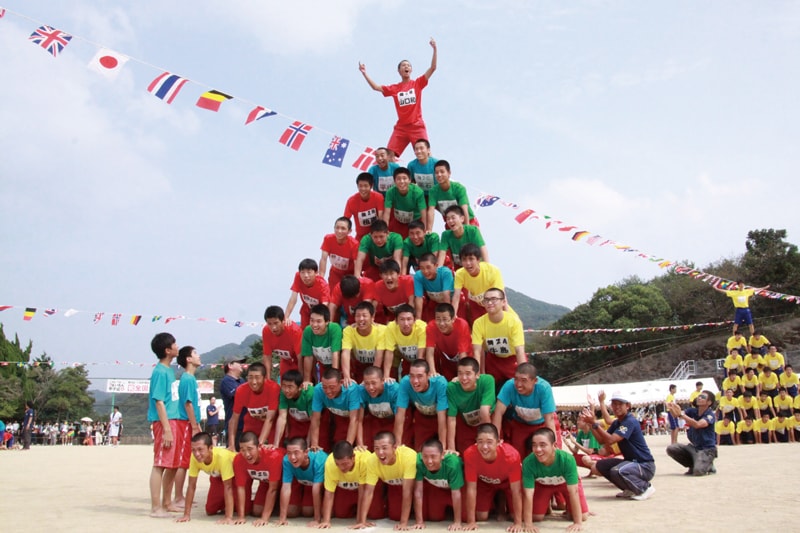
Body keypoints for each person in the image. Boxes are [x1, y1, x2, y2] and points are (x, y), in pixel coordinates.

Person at [358, 38, 437, 160]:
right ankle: (395, 178)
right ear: (399, 71)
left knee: (426, 153)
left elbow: (432, 68)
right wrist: (364, 73)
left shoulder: (417, 84)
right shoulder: (395, 88)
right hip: (401, 127)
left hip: (417, 125)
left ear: (411, 70)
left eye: (408, 65)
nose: (406, 67)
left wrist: (435, 49)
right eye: (403, 65)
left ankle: (438, 176)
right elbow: (376, 87)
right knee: (389, 156)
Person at [579, 392, 656, 500]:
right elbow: (602, 440)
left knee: (618, 470)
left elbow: (610, 440)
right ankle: (629, 489)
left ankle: (645, 488)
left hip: (644, 465)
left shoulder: (630, 421)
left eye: (620, 404)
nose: (616, 407)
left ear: (627, 406)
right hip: (631, 463)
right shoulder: (617, 423)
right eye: (614, 404)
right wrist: (591, 424)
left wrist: (594, 423)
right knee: (600, 466)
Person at [522, 427, 588, 532]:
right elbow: (528, 494)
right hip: (543, 485)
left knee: (583, 516)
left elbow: (573, 491)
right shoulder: (528, 462)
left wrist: (577, 523)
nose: (538, 449)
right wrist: (528, 524)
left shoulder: (567, 459)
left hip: (564, 484)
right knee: (537, 517)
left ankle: (569, 507)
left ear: (554, 446)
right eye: (534, 445)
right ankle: (547, 503)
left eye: (542, 445)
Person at [462, 423, 524, 532]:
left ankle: (503, 499)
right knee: (481, 517)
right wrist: (471, 522)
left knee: (516, 516)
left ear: (499, 442)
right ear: (476, 441)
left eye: (489, 442)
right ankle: (497, 503)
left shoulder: (511, 456)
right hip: (486, 483)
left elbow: (516, 491)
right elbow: (471, 488)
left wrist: (518, 524)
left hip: (507, 484)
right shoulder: (469, 454)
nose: (484, 447)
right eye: (480, 442)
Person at [492, 363, 558, 458]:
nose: (518, 384)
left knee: (548, 452)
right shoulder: (509, 386)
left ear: (534, 381)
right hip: (520, 424)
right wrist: (496, 438)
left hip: (542, 424)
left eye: (523, 380)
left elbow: (550, 419)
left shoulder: (544, 388)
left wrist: (552, 442)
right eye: (516, 379)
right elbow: (498, 412)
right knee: (516, 455)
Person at [148, 332, 180, 518]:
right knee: (160, 463)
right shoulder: (160, 371)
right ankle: (155, 507)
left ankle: (167, 502)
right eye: (174, 344)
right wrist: (166, 429)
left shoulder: (169, 370)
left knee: (172, 464)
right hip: (164, 423)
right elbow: (159, 401)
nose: (177, 346)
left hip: (174, 420)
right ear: (168, 350)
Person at [359, 431, 418, 528]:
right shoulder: (371, 460)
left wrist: (403, 523)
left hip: (411, 486)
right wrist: (362, 521)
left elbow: (408, 492)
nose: (380, 452)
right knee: (393, 515)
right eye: (376, 448)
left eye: (384, 448)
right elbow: (368, 492)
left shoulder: (409, 456)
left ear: (395, 447)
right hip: (391, 486)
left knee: (430, 515)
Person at [471, 287, 527, 388]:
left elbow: (519, 351)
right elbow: (477, 352)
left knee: (520, 387)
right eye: (486, 300)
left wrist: (523, 374)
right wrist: (477, 373)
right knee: (488, 387)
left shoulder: (514, 321)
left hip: (512, 360)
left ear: (503, 302)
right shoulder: (478, 323)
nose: (490, 302)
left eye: (494, 299)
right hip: (493, 360)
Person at [176, 432, 237, 524]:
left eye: (200, 449)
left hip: (237, 476)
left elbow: (228, 487)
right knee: (210, 510)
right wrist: (186, 515)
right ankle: (229, 504)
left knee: (246, 509)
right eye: (193, 450)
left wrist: (228, 517)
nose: (197, 454)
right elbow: (191, 486)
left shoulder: (222, 457)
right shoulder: (194, 457)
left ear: (211, 448)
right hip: (218, 476)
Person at [394, 359, 449, 451]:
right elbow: (400, 415)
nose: (415, 381)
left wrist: (442, 447)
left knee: (443, 449)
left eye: (420, 376)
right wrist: (397, 444)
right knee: (420, 451)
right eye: (412, 376)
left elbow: (442, 418)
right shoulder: (405, 383)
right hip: (422, 418)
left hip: (440, 418)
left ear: (428, 375)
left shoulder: (440, 383)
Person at [446, 357, 496, 454]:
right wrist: (451, 448)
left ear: (477, 375)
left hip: (488, 422)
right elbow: (451, 419)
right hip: (467, 426)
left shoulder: (487, 380)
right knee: (467, 455)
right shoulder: (452, 387)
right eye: (460, 373)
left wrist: (489, 439)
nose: (464, 378)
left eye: (468, 374)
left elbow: (485, 411)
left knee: (489, 452)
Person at [233, 431, 284, 525]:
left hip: (286, 483)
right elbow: (240, 487)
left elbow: (273, 489)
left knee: (292, 511)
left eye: (250, 449)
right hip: (266, 483)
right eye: (242, 450)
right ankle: (274, 505)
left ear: (259, 446)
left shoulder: (273, 457)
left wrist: (264, 518)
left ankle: (277, 504)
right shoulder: (238, 459)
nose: (247, 454)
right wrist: (241, 516)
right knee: (257, 511)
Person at [173, 346, 202, 509]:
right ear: (188, 359)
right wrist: (194, 425)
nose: (199, 356)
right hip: (186, 424)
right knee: (183, 462)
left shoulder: (190, 378)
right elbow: (188, 404)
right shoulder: (187, 379)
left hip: (190, 423)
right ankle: (178, 497)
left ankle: (181, 495)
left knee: (187, 461)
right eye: (195, 354)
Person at [227, 362, 280, 451]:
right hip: (252, 424)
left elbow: (269, 419)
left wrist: (259, 444)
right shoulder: (241, 390)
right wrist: (231, 445)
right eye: (250, 378)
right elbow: (234, 419)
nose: (254, 382)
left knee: (271, 451)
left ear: (264, 378)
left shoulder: (273, 388)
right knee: (246, 449)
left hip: (271, 426)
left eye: (257, 378)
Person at [413, 438, 464, 530]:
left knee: (468, 517)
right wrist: (419, 522)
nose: (429, 461)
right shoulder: (419, 462)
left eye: (433, 456)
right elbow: (418, 491)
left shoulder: (453, 463)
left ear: (442, 455)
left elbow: (456, 493)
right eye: (425, 456)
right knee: (435, 517)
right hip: (438, 489)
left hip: (459, 488)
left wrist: (457, 522)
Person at [666, 389, 717, 474]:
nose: (699, 398)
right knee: (672, 448)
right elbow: (677, 415)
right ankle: (694, 464)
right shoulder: (693, 411)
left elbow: (698, 425)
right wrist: (672, 408)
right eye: (699, 396)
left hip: (707, 450)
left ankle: (708, 465)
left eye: (703, 397)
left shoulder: (710, 415)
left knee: (698, 472)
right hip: (695, 448)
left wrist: (681, 415)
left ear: (709, 402)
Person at [278, 437, 327, 526]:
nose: (292, 457)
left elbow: (317, 489)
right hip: (303, 483)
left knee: (311, 511)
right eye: (289, 453)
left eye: (296, 453)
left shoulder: (319, 460)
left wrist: (317, 519)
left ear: (306, 452)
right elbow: (286, 487)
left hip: (323, 488)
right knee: (291, 511)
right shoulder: (286, 460)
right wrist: (282, 518)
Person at [319, 440, 369, 527]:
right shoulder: (330, 463)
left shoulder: (364, 460)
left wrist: (360, 521)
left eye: (345, 464)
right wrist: (326, 521)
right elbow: (329, 493)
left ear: (353, 457)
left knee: (375, 514)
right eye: (337, 464)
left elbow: (363, 493)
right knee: (341, 513)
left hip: (365, 489)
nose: (341, 468)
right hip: (345, 489)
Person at [308, 368, 360, 452]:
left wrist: (347, 447)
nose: (328, 391)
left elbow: (354, 419)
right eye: (324, 387)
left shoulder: (351, 390)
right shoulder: (318, 389)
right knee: (337, 440)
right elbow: (315, 419)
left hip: (359, 418)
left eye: (332, 387)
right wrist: (314, 444)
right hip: (339, 417)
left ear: (341, 383)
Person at [452, 243, 503, 324]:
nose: (468, 263)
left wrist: (506, 314)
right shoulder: (459, 274)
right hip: (476, 304)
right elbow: (456, 296)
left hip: (493, 303)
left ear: (478, 260)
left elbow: (500, 296)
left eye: (471, 259)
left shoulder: (493, 271)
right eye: (464, 259)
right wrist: (453, 316)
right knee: (479, 327)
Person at [341, 301, 388, 386]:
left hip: (378, 367)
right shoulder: (348, 330)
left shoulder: (382, 330)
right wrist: (346, 377)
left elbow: (379, 356)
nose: (361, 319)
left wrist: (371, 379)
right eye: (358, 316)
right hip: (360, 366)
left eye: (364, 315)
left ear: (372, 317)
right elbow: (346, 353)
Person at [357, 366, 400, 450]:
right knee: (370, 446)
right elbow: (358, 420)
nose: (370, 388)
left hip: (394, 420)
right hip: (375, 420)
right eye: (366, 383)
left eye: (374, 383)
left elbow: (399, 419)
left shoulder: (394, 390)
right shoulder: (361, 390)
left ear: (383, 380)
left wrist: (396, 442)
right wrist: (360, 444)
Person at [425, 303, 471, 381]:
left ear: (453, 319)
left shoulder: (462, 325)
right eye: (438, 319)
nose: (441, 323)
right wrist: (432, 372)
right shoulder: (431, 326)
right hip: (447, 360)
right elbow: (429, 352)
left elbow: (463, 354)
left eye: (445, 319)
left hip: (466, 359)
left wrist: (462, 374)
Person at [427, 159, 477, 231]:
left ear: (449, 173)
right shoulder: (433, 191)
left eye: (442, 172)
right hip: (451, 224)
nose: (439, 175)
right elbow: (431, 211)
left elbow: (464, 209)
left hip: (469, 221)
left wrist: (467, 228)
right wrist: (429, 230)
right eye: (436, 173)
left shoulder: (459, 188)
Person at [300, 304, 342, 386]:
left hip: (338, 366)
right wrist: (307, 380)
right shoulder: (308, 331)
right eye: (312, 320)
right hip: (323, 366)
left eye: (318, 321)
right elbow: (308, 357)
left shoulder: (334, 329)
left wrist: (334, 378)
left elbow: (335, 354)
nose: (314, 325)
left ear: (327, 322)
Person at [382, 303, 427, 378]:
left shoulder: (422, 327)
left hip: (422, 359)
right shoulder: (391, 327)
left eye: (409, 319)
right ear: (396, 321)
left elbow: (421, 356)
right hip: (404, 357)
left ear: (415, 320)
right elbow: (389, 352)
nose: (406, 323)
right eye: (402, 319)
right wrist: (386, 376)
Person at [285, 258, 331, 329]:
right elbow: (293, 299)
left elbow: (324, 306)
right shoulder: (298, 277)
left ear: (316, 273)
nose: (305, 276)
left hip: (320, 313)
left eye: (309, 272)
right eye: (302, 272)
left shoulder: (323, 285)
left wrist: (315, 321)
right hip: (306, 310)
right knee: (304, 333)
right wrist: (286, 317)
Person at [438, 205, 488, 270]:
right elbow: (442, 254)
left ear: (462, 219)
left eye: (453, 218)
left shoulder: (473, 230)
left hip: (477, 267)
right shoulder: (445, 235)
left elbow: (483, 249)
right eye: (448, 219)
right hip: (460, 269)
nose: (450, 221)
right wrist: (438, 271)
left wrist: (488, 268)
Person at [272, 370, 314, 447]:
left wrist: (308, 444)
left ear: (300, 387)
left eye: (290, 387)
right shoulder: (283, 393)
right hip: (297, 422)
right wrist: (276, 444)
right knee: (293, 445)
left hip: (314, 422)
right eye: (284, 386)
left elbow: (314, 421)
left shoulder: (309, 394)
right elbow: (282, 417)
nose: (286, 390)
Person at [382, 166, 426, 239]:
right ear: (394, 181)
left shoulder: (418, 192)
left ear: (409, 180)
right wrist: (384, 230)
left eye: (404, 178)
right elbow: (387, 213)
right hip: (399, 221)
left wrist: (424, 229)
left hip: (416, 221)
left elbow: (423, 213)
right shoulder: (390, 192)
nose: (402, 181)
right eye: (398, 179)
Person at [318, 216, 359, 290]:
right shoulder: (328, 239)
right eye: (337, 228)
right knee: (333, 296)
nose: (339, 231)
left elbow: (357, 265)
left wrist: (356, 281)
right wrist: (321, 278)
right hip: (335, 274)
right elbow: (323, 259)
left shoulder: (354, 244)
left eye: (343, 228)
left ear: (349, 231)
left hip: (350, 275)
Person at [262, 305, 303, 377]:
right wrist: (267, 379)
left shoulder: (294, 331)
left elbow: (301, 357)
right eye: (269, 324)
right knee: (284, 384)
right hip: (285, 361)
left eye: (276, 323)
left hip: (299, 360)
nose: (273, 328)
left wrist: (303, 379)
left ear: (283, 320)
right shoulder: (266, 331)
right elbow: (267, 356)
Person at [413, 253, 455, 322]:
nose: (425, 271)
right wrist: (418, 320)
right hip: (435, 301)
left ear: (436, 266)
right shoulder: (418, 276)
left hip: (451, 301)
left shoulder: (445, 273)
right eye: (422, 268)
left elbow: (446, 294)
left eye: (428, 267)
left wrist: (447, 317)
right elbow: (419, 298)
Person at [343, 172, 385, 241]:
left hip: (376, 235)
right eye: (360, 186)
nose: (363, 189)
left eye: (366, 186)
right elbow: (345, 221)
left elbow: (381, 218)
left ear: (371, 186)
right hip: (360, 237)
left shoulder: (378, 197)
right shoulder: (351, 201)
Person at [373, 259, 415, 325]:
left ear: (398, 274)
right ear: (381, 276)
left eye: (392, 273)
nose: (389, 278)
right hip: (394, 317)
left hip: (412, 314)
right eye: (385, 274)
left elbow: (412, 303)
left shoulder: (408, 281)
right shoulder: (378, 286)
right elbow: (373, 307)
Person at [220, 354, 246, 446]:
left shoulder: (242, 380)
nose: (241, 365)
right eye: (238, 362)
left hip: (245, 424)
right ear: (230, 366)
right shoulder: (227, 381)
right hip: (235, 426)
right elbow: (240, 396)